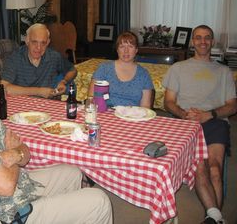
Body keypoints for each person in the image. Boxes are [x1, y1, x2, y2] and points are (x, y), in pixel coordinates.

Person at [0, 46, 113, 224]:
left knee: (72, 172)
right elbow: (7, 186)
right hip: (4, 212)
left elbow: (24, 154)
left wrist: (14, 154)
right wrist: (13, 152)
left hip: (19, 186)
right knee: (99, 201)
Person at [162, 25, 237, 224]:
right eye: (198, 38)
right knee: (199, 166)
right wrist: (184, 114)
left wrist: (209, 114)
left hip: (215, 122)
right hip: (186, 123)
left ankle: (212, 217)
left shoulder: (224, 71)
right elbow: (168, 102)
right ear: (192, 41)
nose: (202, 41)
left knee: (214, 167)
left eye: (207, 38)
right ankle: (216, 218)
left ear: (212, 42)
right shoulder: (178, 68)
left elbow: (232, 106)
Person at [1, 23, 77, 98]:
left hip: (48, 105)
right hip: (23, 104)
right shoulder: (15, 58)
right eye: (34, 42)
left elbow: (72, 70)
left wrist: (63, 81)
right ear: (27, 40)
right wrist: (38, 91)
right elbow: (4, 87)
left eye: (43, 43)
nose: (39, 48)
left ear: (48, 42)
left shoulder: (54, 56)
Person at [88, 31, 153, 108]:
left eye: (130, 46)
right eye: (122, 47)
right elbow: (91, 97)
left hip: (132, 116)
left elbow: (145, 106)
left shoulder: (144, 74)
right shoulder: (104, 68)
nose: (126, 51)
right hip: (106, 114)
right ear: (117, 50)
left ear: (136, 50)